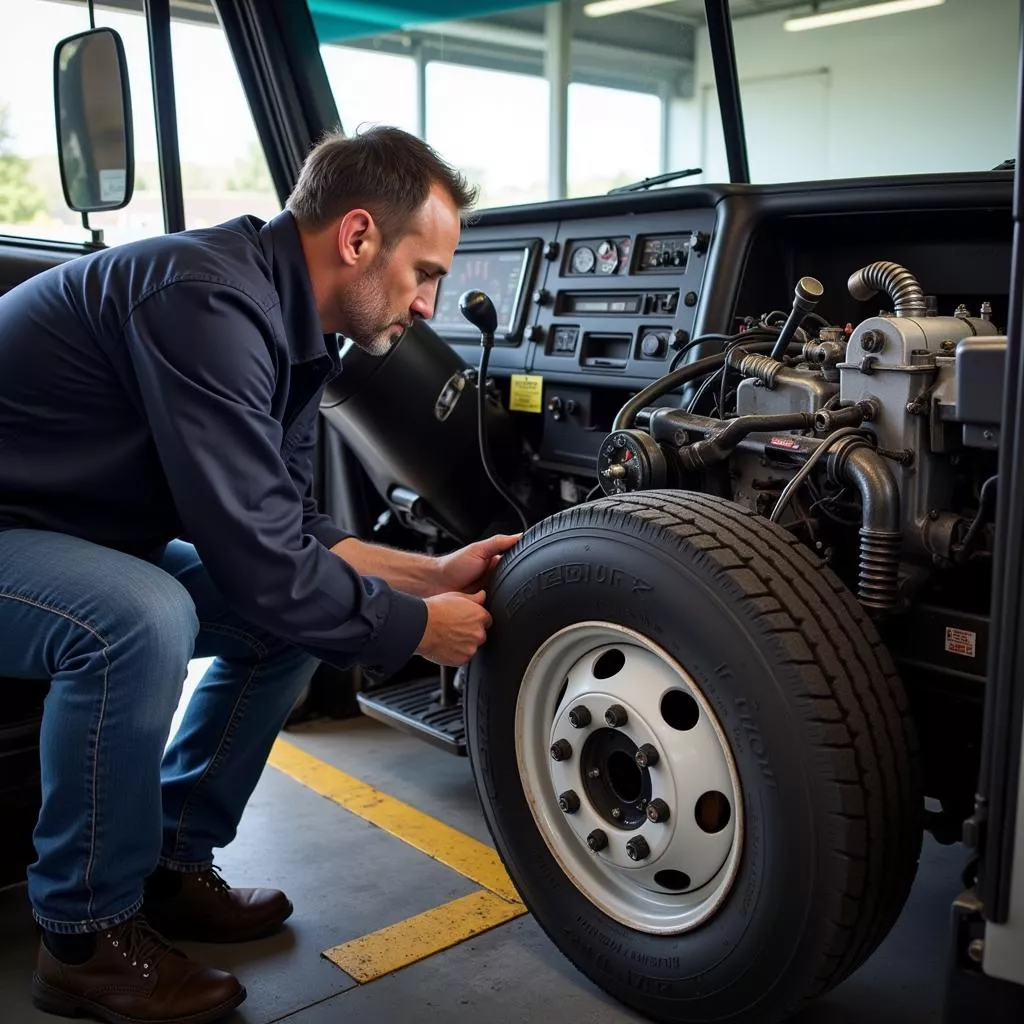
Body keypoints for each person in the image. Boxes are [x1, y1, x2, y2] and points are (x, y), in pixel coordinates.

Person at [0, 125, 518, 1023]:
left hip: (66, 531)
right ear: (358, 237)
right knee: (141, 615)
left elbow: (296, 532)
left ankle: (170, 863)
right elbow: (259, 555)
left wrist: (432, 574)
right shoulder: (205, 299)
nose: (431, 305)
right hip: (19, 532)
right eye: (424, 272)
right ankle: (84, 937)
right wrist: (415, 629)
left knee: (279, 615)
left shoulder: (292, 333)